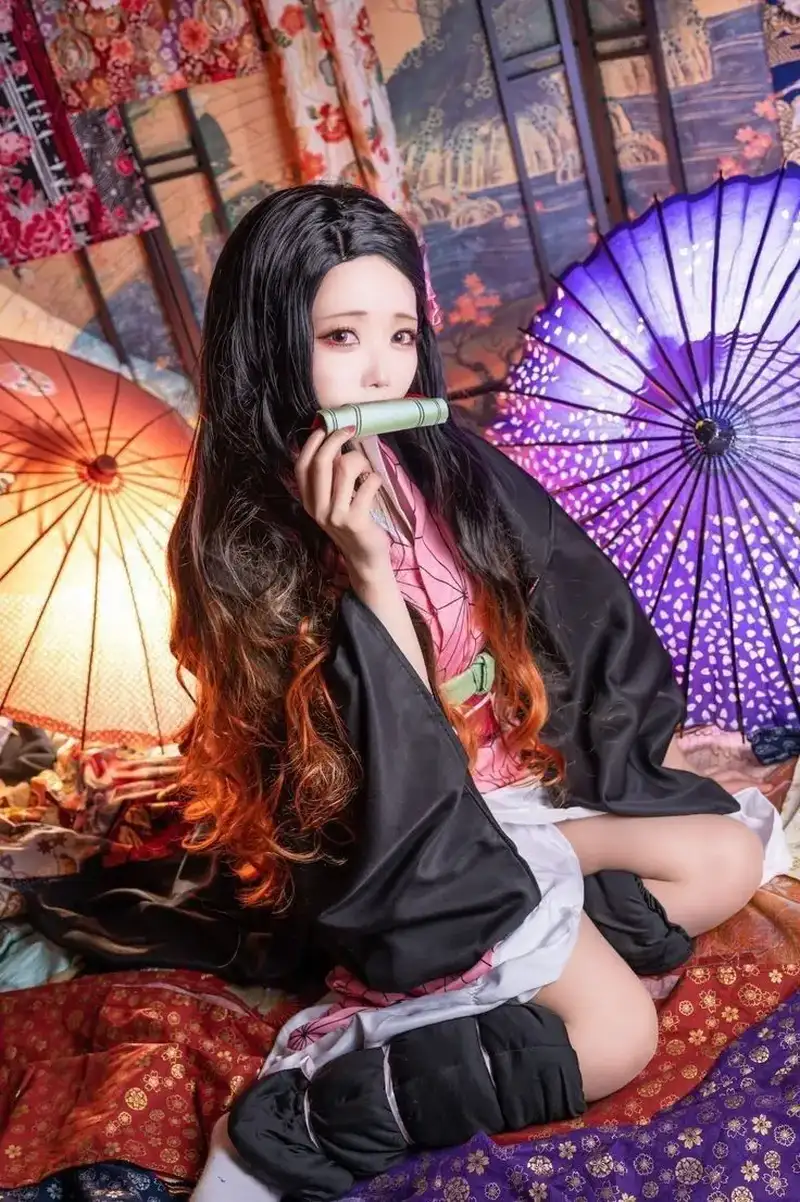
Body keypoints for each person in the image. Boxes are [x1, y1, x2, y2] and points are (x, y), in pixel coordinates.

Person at [168, 184, 789, 1202]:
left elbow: (565, 615)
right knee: (617, 1036)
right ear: (272, 344)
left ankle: (524, 960)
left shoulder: (432, 461)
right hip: (414, 839)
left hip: (509, 803)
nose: (383, 370)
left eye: (401, 334)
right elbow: (388, 757)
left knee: (727, 852)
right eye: (341, 336)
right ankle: (319, 1102)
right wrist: (367, 570)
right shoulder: (243, 543)